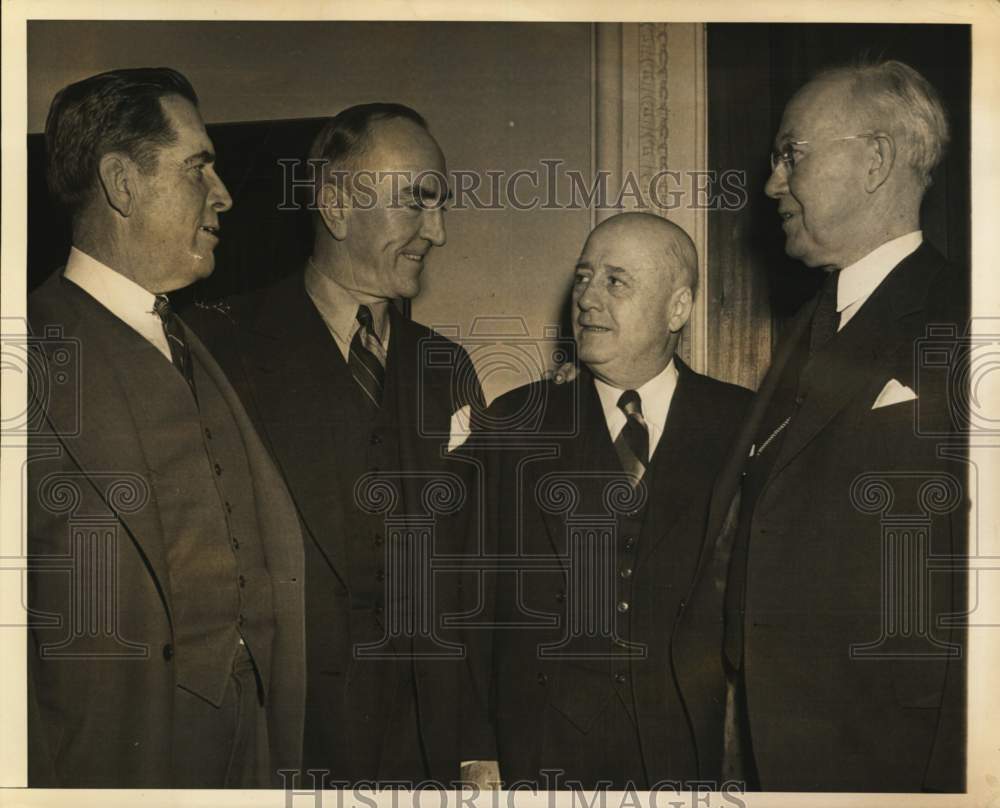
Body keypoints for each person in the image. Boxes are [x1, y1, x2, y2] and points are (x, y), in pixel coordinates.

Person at [671, 60, 967, 791]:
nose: (772, 183)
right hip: (774, 739)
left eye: (790, 155)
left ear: (875, 161)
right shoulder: (815, 321)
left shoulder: (965, 317)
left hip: (893, 749)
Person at [191, 103, 491, 785]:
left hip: (425, 754)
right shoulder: (216, 348)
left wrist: (475, 742)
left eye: (441, 207)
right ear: (334, 204)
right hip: (283, 746)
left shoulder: (449, 368)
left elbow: (475, 574)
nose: (437, 232)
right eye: (417, 204)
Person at [27, 67, 305, 788]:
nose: (224, 196)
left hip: (249, 744)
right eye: (198, 168)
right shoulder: (26, 350)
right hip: (113, 760)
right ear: (122, 183)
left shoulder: (200, 344)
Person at [473, 212, 752, 789]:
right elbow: (472, 600)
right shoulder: (515, 424)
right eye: (583, 278)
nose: (588, 300)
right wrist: (475, 749)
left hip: (692, 755)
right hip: (543, 754)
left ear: (678, 308)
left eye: (615, 282)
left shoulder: (743, 425)